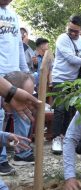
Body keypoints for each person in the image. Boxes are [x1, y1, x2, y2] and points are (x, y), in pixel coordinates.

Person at [51, 15, 81, 154]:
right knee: (60, 109)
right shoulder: (62, 38)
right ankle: (56, 138)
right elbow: (71, 58)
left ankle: (67, 138)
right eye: (71, 30)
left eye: (76, 31)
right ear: (67, 26)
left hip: (75, 80)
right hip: (60, 78)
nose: (73, 33)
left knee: (73, 109)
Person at [0, 0, 30, 175]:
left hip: (13, 73)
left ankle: (21, 152)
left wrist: (24, 72)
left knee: (21, 113)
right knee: (0, 115)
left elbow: (18, 45)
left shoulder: (12, 15)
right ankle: (2, 159)